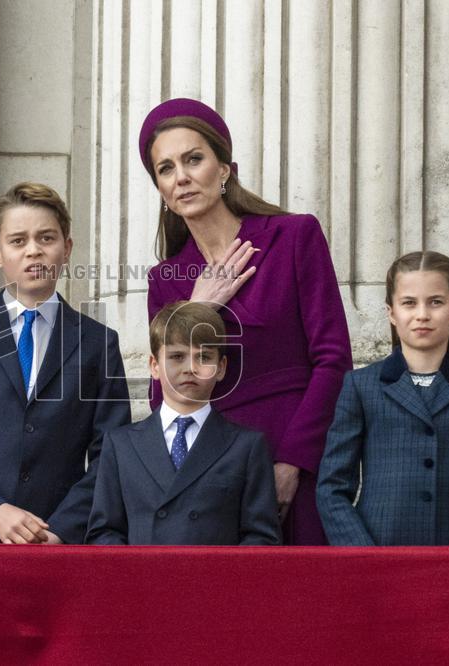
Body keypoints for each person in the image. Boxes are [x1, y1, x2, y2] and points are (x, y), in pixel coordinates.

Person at [140, 98, 352, 545]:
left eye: (193, 159)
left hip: (296, 451)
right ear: (159, 188)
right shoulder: (166, 280)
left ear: (224, 169)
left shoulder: (294, 237)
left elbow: (333, 361)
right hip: (210, 468)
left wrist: (294, 462)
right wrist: (197, 309)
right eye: (165, 168)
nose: (181, 177)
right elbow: (164, 394)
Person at [0, 182, 131, 545]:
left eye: (46, 238)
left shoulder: (98, 343)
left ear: (67, 248)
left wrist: (60, 530)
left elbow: (111, 452)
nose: (34, 251)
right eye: (18, 241)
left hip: (58, 542)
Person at [317, 251, 449, 545]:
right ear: (391, 312)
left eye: (435, 302)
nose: (422, 314)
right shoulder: (361, 386)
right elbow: (332, 487)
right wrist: (362, 555)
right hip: (377, 552)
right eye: (409, 303)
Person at [86, 301, 281, 545]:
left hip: (214, 581)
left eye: (204, 357)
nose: (190, 368)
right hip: (142, 580)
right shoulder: (121, 444)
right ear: (154, 366)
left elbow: (261, 537)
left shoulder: (247, 446)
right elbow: (103, 532)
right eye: (177, 356)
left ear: (221, 368)